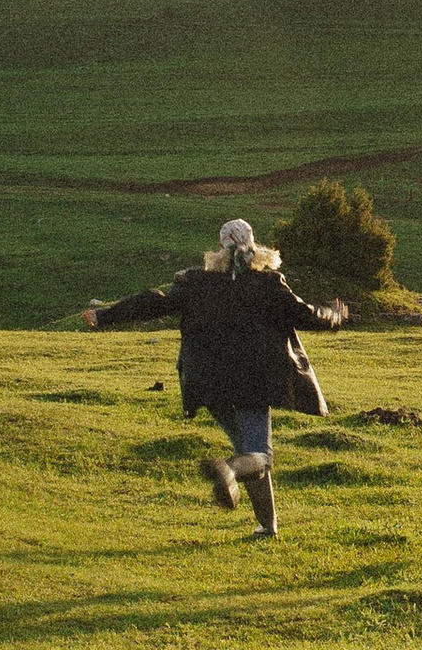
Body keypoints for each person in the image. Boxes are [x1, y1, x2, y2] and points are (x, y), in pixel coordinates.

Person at [83, 219, 346, 537]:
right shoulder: (268, 283)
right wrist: (336, 314)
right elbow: (308, 316)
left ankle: (267, 526)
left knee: (247, 450)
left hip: (208, 383)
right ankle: (229, 470)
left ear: (220, 246)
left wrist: (104, 315)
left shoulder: (195, 282)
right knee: (258, 456)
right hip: (252, 383)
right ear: (255, 245)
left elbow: (155, 302)